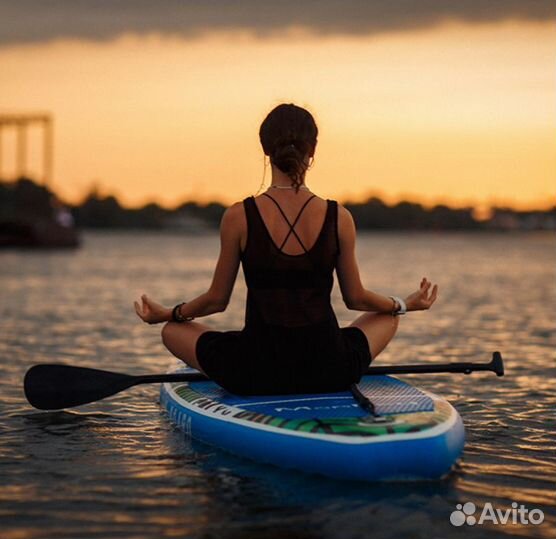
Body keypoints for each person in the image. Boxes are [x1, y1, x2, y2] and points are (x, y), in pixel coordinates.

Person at [134, 103, 437, 396]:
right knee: (389, 315)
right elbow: (356, 299)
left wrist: (168, 313)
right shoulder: (339, 217)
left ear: (266, 150)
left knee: (171, 331)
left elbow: (216, 301)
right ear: (312, 150)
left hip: (256, 371)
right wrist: (404, 303)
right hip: (329, 368)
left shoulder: (239, 216)